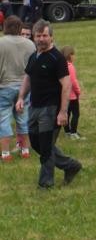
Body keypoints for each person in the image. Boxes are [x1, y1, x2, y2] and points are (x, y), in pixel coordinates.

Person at [15, 20, 82, 189]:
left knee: (45, 146)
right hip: (34, 107)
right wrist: (21, 97)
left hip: (51, 109)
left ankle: (45, 184)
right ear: (34, 37)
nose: (41, 39)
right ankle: (70, 165)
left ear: (51, 37)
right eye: (38, 36)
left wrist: (63, 112)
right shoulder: (33, 56)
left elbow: (66, 85)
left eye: (45, 35)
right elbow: (28, 78)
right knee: (37, 143)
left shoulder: (57, 58)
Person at [0, 16, 35, 161]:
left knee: (3, 120)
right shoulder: (30, 44)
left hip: (4, 86)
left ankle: (5, 154)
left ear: (5, 27)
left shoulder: (1, 43)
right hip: (24, 87)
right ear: (20, 28)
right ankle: (25, 150)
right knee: (23, 119)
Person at [61, 46, 84, 140]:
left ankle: (67, 131)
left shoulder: (61, 67)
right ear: (69, 55)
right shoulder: (70, 67)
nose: (74, 57)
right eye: (73, 54)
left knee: (66, 114)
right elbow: (74, 82)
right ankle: (73, 133)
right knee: (76, 114)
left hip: (64, 97)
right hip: (72, 97)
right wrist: (79, 92)